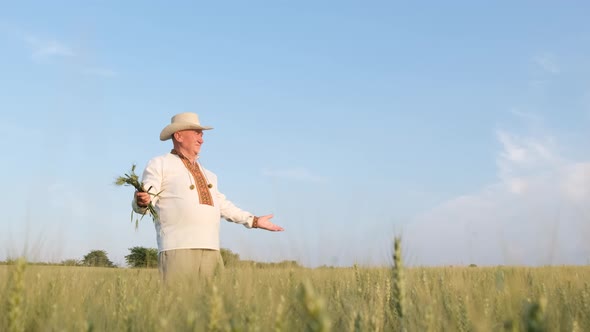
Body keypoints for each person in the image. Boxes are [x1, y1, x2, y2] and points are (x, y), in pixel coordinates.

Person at [132, 112, 283, 281]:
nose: (201, 140)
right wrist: (142, 201)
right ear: (179, 135)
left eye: (202, 135)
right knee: (179, 304)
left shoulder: (209, 174)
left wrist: (254, 220)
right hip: (178, 248)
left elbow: (223, 205)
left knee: (211, 305)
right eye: (197, 133)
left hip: (211, 250)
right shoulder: (160, 163)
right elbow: (147, 196)